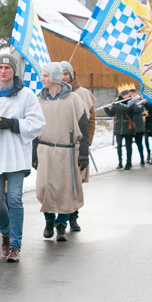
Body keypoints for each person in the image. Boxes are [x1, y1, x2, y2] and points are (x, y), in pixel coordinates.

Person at [0, 53, 46, 262]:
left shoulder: (26, 95)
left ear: (14, 71)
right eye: (0, 67)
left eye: (8, 67)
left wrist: (14, 124)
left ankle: (15, 245)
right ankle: (5, 232)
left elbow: (37, 121)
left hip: (15, 154)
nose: (3, 71)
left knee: (14, 198)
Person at [34, 62, 88, 242]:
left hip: (67, 151)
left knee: (65, 190)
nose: (42, 79)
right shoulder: (39, 100)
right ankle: (49, 221)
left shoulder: (73, 99)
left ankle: (62, 225)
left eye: (46, 76)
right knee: (45, 189)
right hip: (45, 150)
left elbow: (83, 126)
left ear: (55, 77)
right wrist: (34, 152)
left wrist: (83, 153)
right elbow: (34, 128)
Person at [60, 61, 95, 232]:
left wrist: (86, 143)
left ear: (72, 75)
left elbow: (90, 120)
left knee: (75, 183)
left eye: (66, 74)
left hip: (78, 144)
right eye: (60, 74)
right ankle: (60, 218)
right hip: (60, 145)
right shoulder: (53, 94)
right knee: (61, 183)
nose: (63, 77)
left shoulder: (82, 94)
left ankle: (73, 216)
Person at [105, 84, 143, 170]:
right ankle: (120, 162)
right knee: (119, 145)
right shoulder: (117, 103)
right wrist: (107, 108)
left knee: (128, 146)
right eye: (124, 94)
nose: (126, 96)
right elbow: (111, 114)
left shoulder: (131, 103)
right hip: (119, 127)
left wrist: (117, 106)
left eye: (127, 94)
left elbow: (127, 110)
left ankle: (128, 163)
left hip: (128, 127)